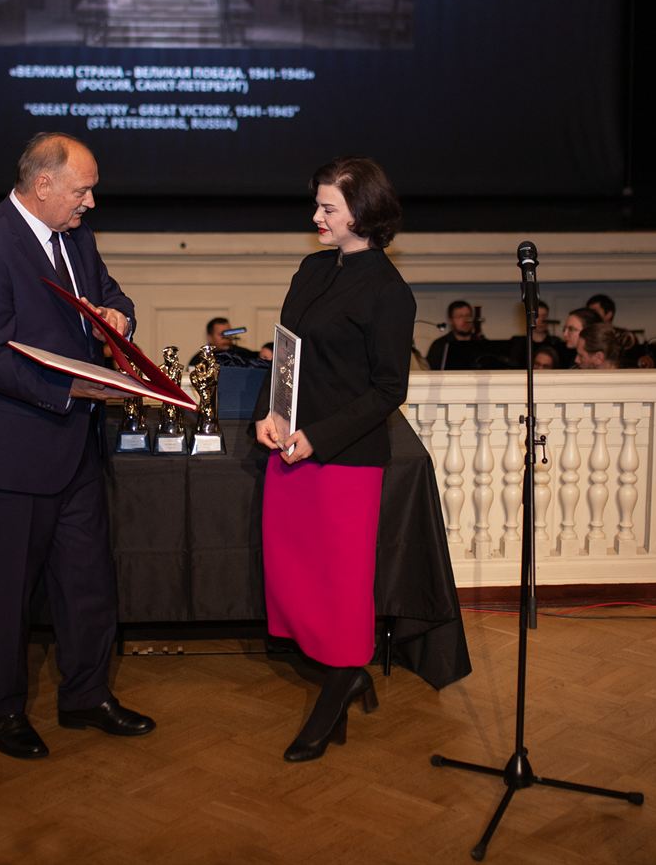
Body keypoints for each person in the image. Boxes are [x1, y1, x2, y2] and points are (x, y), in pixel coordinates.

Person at [0, 132, 154, 760]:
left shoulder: (76, 237)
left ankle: (86, 696)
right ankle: (1, 710)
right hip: (7, 459)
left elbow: (111, 294)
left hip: (75, 451)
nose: (91, 202)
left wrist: (118, 318)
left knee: (88, 585)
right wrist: (71, 390)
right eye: (82, 190)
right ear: (43, 185)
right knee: (5, 596)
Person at [254, 156, 415, 762]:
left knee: (342, 582)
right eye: (318, 205)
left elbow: (388, 389)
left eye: (329, 208)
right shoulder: (312, 267)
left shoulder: (390, 292)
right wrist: (270, 414)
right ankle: (342, 673)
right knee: (295, 570)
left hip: (344, 457)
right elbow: (286, 355)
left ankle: (343, 677)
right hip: (289, 447)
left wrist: (319, 438)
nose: (316, 216)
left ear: (363, 213)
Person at [425, 300, 492, 370]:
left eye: (468, 316)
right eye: (460, 316)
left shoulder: (483, 344)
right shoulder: (440, 345)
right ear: (451, 321)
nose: (465, 320)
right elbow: (431, 372)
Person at [191, 316, 257, 366]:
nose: (226, 337)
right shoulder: (200, 360)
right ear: (210, 337)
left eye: (228, 333)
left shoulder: (244, 355)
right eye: (221, 334)